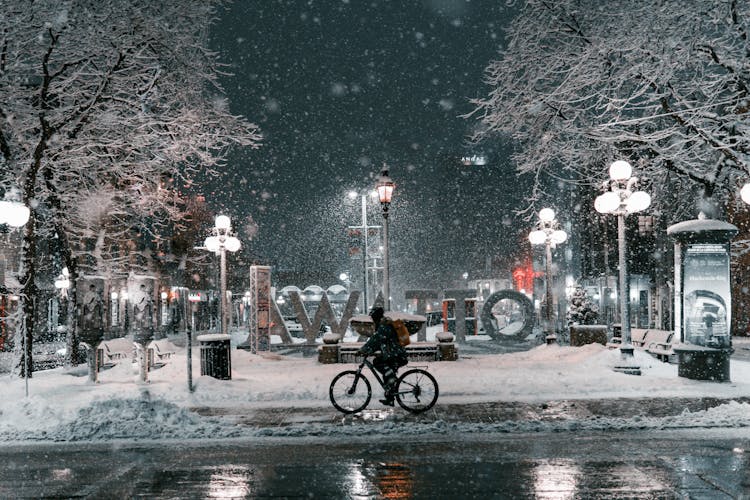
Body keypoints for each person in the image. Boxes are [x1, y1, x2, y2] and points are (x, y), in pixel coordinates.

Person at [358, 307, 408, 406]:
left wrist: (363, 350)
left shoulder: (384, 326)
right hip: (394, 354)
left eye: (372, 318)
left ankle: (391, 382)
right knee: (386, 372)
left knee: (378, 363)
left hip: (396, 355)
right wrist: (369, 350)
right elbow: (378, 342)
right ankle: (390, 397)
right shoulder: (383, 325)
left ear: (376, 317)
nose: (372, 320)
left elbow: (375, 340)